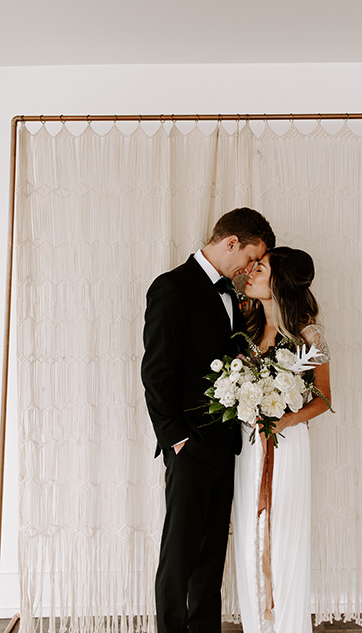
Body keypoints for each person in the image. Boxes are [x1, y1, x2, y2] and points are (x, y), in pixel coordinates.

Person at [141, 208, 275, 633]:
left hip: (224, 445)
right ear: (231, 242)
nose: (251, 268)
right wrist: (177, 440)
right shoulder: (171, 288)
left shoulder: (233, 296)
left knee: (211, 555)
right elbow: (156, 372)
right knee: (178, 556)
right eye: (252, 258)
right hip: (189, 445)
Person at [232, 246, 332, 633]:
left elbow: (324, 398)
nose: (251, 272)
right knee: (249, 534)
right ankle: (257, 626)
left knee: (282, 534)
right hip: (249, 446)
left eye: (260, 268)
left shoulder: (308, 334)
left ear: (280, 282)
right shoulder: (249, 328)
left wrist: (287, 419)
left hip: (286, 445)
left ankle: (287, 624)